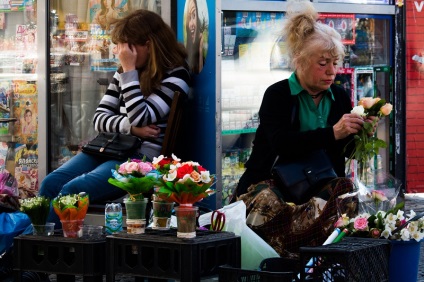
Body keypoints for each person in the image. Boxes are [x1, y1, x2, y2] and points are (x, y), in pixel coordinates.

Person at [233, 1, 378, 257]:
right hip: (273, 188)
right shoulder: (278, 94)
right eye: (323, 63)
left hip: (318, 188)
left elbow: (344, 152)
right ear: (299, 61)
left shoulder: (340, 97)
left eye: (335, 62)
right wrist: (333, 132)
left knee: (346, 193)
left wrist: (362, 134)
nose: (332, 71)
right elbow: (282, 143)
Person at [39, 9, 191, 228]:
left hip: (141, 159)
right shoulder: (124, 73)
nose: (121, 53)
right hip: (111, 147)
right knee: (51, 182)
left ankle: (45, 249)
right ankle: (36, 247)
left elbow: (141, 115)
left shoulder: (176, 74)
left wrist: (129, 71)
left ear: (147, 45)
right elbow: (99, 119)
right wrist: (131, 128)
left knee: (72, 190)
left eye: (127, 46)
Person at [185, 0, 204, 74]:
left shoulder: (202, 56)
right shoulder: (183, 56)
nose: (191, 24)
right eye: (189, 17)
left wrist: (200, 50)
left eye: (194, 15)